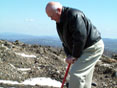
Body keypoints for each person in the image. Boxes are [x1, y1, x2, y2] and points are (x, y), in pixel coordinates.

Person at [45, 1, 104, 88]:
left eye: (51, 16)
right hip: (83, 48)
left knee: (76, 73)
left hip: (92, 48)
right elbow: (65, 40)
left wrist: (74, 55)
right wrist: (69, 55)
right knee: (84, 75)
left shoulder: (74, 15)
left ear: (58, 10)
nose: (51, 19)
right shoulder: (60, 22)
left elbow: (80, 37)